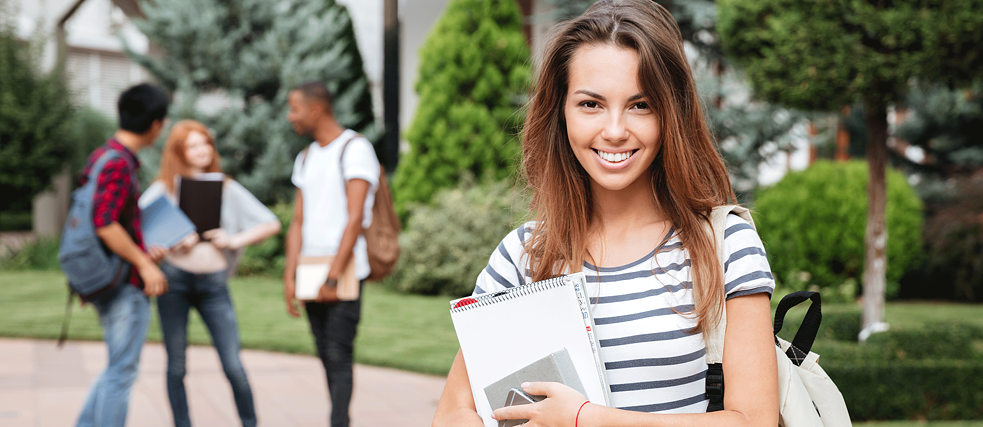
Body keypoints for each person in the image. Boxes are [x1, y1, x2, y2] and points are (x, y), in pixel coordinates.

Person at [432, 1, 780, 426]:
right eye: (591, 104)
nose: (614, 131)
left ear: (671, 113)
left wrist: (586, 419)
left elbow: (753, 420)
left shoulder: (724, 246)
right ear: (560, 112)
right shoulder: (524, 255)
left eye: (641, 105)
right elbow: (452, 412)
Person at [137, 120, 281, 427]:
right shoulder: (164, 188)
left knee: (232, 364)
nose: (201, 150)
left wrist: (232, 239)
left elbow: (270, 223)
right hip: (174, 281)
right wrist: (166, 244)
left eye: (205, 143)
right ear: (178, 151)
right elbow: (138, 230)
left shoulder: (224, 186)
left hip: (214, 283)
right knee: (176, 366)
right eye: (192, 145)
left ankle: (249, 422)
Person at [283, 81, 380, 427]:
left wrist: (334, 275)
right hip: (310, 267)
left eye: (294, 108)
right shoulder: (306, 156)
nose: (290, 116)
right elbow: (297, 221)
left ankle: (338, 422)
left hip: (345, 267)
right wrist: (290, 274)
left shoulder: (355, 149)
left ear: (315, 109)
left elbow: (355, 218)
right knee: (325, 353)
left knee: (339, 354)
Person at [75, 83, 170, 427]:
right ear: (157, 124)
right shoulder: (118, 163)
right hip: (122, 281)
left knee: (117, 366)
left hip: (103, 274)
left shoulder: (102, 155)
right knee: (122, 372)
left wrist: (144, 247)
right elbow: (104, 223)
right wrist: (144, 263)